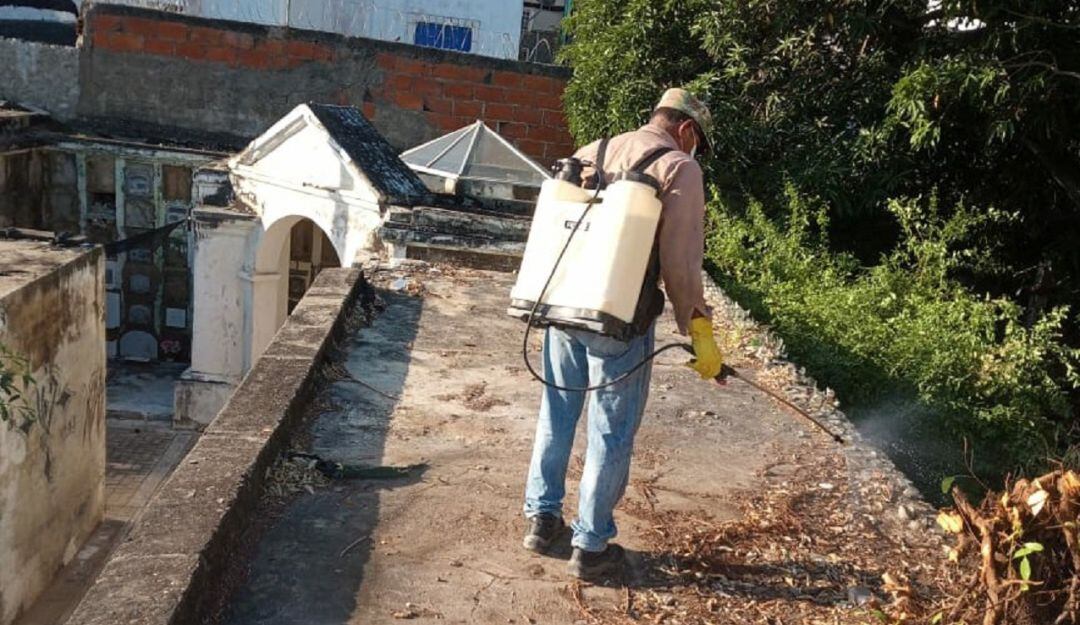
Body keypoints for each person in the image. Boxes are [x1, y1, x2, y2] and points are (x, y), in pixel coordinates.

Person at [521, 88, 725, 580]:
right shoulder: (680, 167)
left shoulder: (595, 149)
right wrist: (699, 332)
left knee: (557, 412)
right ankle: (590, 546)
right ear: (688, 129)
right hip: (619, 318)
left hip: (560, 305)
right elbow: (680, 265)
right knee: (611, 431)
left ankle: (541, 518)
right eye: (697, 141)